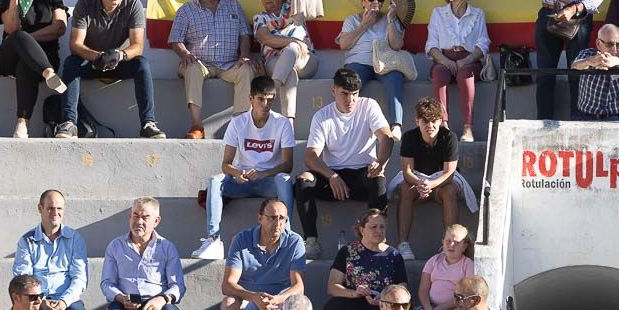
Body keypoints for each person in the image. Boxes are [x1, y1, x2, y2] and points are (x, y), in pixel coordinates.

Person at [295, 68, 395, 259]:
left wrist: (380, 162)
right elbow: (310, 157)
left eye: (355, 94)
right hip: (333, 177)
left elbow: (387, 137)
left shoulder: (369, 106)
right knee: (303, 179)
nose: (350, 100)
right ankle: (311, 241)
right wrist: (331, 175)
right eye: (345, 94)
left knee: (378, 179)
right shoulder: (322, 116)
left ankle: (376, 241)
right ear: (333, 91)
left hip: (363, 175)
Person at [192, 76, 295, 260]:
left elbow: (288, 165)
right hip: (242, 180)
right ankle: (213, 239)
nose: (265, 104)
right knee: (215, 181)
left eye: (270, 99)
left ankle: (285, 237)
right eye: (261, 99)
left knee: (284, 180)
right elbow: (225, 164)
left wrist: (265, 173)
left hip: (268, 182)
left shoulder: (282, 123)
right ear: (251, 99)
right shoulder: (238, 122)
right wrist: (237, 173)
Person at [61, 0, 165, 140]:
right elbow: (75, 44)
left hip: (118, 62)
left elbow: (138, 45)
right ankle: (69, 123)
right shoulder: (85, 4)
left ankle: (148, 123)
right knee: (71, 63)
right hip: (92, 62)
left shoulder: (133, 4)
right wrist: (97, 57)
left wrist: (118, 55)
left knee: (142, 63)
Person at [168, 0, 258, 139]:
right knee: (191, 67)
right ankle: (196, 126)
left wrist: (245, 56)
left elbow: (245, 35)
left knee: (247, 70)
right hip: (200, 64)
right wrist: (186, 54)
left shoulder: (233, 5)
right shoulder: (187, 10)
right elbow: (175, 40)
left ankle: (240, 128)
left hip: (229, 64)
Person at [12, 189, 88, 310]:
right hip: (38, 299)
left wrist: (64, 301)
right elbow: (23, 278)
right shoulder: (27, 240)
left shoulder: (75, 239)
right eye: (50, 208)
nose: (56, 213)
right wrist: (41, 301)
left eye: (59, 208)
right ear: (40, 208)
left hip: (65, 298)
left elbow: (80, 278)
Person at [0, 0, 68, 139]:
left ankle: (22, 124)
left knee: (26, 64)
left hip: (41, 58)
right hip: (7, 58)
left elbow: (60, 27)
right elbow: (11, 28)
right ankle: (48, 73)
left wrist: (28, 40)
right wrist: (14, 0)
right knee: (18, 35)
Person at [337, 0, 408, 137]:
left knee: (395, 76)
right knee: (349, 80)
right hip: (359, 63)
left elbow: (397, 45)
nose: (376, 2)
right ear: (362, 0)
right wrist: (364, 25)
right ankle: (347, 124)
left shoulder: (390, 18)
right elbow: (344, 44)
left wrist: (390, 20)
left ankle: (396, 125)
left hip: (384, 63)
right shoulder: (352, 20)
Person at [426, 0, 491, 141]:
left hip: (469, 59)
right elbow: (431, 45)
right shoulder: (438, 13)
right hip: (443, 58)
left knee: (465, 75)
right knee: (439, 74)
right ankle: (443, 125)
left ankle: (468, 128)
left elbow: (483, 43)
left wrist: (465, 60)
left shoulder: (478, 13)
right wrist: (445, 61)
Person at [394, 98, 459, 260]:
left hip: (441, 181)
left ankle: (450, 243)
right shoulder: (409, 137)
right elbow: (407, 171)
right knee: (404, 188)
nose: (430, 126)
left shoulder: (449, 137)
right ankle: (403, 244)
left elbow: (449, 173)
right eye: (425, 121)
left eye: (433, 121)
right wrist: (420, 183)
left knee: (449, 191)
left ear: (440, 120)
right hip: (418, 179)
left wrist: (430, 184)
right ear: (417, 121)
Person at [251, 0, 317, 124]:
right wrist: (292, 40)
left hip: (305, 59)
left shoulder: (295, 8)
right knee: (290, 70)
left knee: (292, 49)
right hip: (275, 61)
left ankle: (270, 92)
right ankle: (289, 124)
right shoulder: (259, 18)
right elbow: (265, 38)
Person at [412, 224, 476, 310]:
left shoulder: (468, 265)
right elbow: (423, 290)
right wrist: (428, 309)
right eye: (448, 241)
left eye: (457, 242)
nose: (451, 245)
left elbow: (466, 294)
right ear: (443, 242)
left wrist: (444, 307)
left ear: (464, 246)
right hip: (431, 306)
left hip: (455, 307)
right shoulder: (433, 261)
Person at [570, 24, 619, 120]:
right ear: (598, 43)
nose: (614, 50)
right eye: (609, 44)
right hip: (586, 116)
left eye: (618, 45)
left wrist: (618, 61)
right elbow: (574, 66)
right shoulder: (588, 53)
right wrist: (589, 62)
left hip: (618, 116)